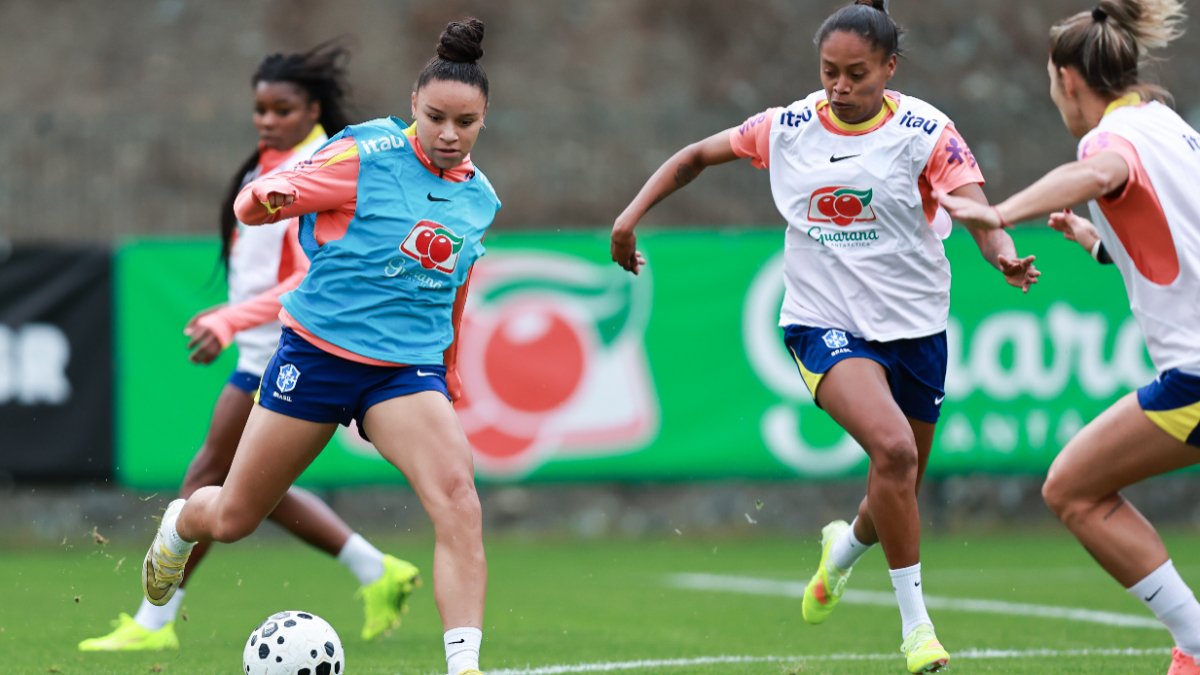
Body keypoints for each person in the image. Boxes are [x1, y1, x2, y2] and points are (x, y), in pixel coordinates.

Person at [611, 2, 1038, 672]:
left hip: (917, 330)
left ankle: (839, 556)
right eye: (829, 71)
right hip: (823, 324)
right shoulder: (786, 128)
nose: (840, 86)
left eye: (857, 74)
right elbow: (695, 156)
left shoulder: (926, 131)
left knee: (896, 484)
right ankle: (916, 629)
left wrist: (1003, 253)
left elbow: (977, 208)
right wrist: (629, 217)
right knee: (893, 451)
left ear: (890, 68)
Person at [138, 18, 497, 675]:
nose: (449, 135)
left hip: (404, 373)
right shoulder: (363, 155)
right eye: (437, 117)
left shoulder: (479, 199)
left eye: (465, 122)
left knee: (458, 496)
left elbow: (458, 289)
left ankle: (463, 666)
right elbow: (252, 203)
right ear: (414, 105)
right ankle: (181, 523)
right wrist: (271, 196)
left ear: (483, 119)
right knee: (236, 516)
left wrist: (448, 371)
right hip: (318, 357)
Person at [80, 43, 422, 653]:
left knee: (208, 476)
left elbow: (312, 274)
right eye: (260, 108)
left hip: (289, 349)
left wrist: (234, 318)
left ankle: (153, 622)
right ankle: (377, 569)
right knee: (248, 487)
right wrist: (234, 318)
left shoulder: (324, 167)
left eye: (281, 108)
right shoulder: (274, 163)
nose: (266, 119)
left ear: (312, 107)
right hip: (263, 347)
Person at [937, 2, 1200, 673]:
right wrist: (1097, 241)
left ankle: (1196, 645)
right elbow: (1172, 230)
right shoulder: (1169, 126)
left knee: (1072, 488)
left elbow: (1097, 174)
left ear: (1067, 79)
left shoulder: (1105, 143)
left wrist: (999, 212)